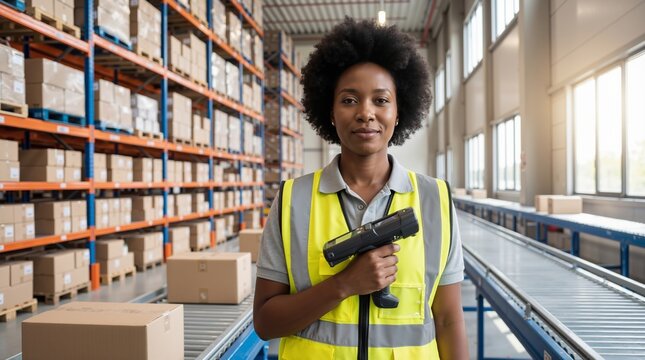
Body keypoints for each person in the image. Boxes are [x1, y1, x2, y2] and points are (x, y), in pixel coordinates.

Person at [253, 18, 468, 359]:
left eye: (381, 101)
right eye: (350, 100)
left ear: (399, 112)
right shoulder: (293, 201)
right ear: (331, 112)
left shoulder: (434, 199)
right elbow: (265, 322)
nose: (366, 113)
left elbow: (447, 319)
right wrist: (344, 285)